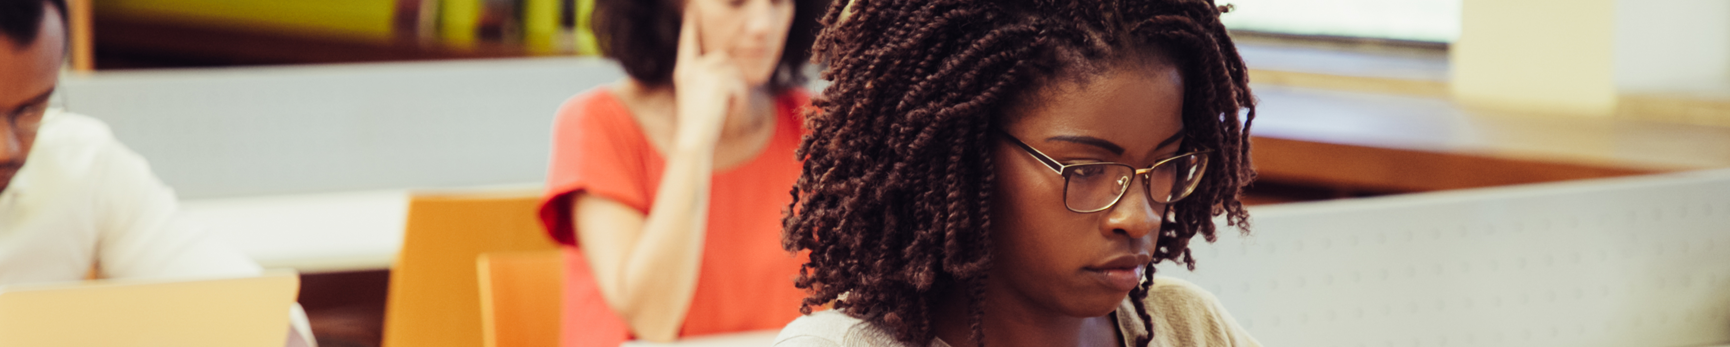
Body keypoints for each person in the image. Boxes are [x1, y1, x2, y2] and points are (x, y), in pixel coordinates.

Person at [775, 0, 1261, 346]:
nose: (1140, 217)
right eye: (1087, 169)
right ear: (967, 160)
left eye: (1166, 165)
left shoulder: (1188, 326)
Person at [0, 1, 313, 345]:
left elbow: (256, 316)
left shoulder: (82, 162)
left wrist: (273, 334)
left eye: (32, 109)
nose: (8, 148)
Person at [535, 0, 824, 344]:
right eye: (735, 3)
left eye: (778, 1)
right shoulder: (596, 124)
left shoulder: (817, 128)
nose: (764, 24)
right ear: (671, 7)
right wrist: (695, 139)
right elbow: (652, 321)